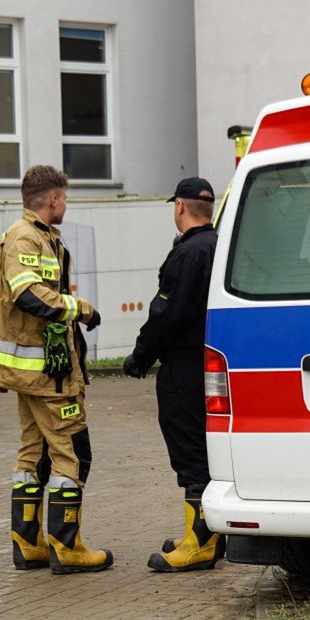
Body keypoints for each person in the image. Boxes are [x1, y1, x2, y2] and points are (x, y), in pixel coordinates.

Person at [0, 164, 108, 574]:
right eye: (65, 198)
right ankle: (65, 547)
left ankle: (29, 543)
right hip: (46, 377)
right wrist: (80, 309)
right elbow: (27, 294)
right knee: (73, 453)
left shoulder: (39, 237)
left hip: (36, 373)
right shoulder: (25, 237)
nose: (66, 204)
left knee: (32, 454)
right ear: (53, 199)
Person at [122, 178, 223, 572]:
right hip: (211, 362)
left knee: (190, 452)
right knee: (206, 448)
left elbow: (166, 314)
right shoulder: (219, 245)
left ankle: (198, 544)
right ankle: (207, 533)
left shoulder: (188, 253)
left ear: (180, 206)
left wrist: (139, 358)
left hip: (183, 367)